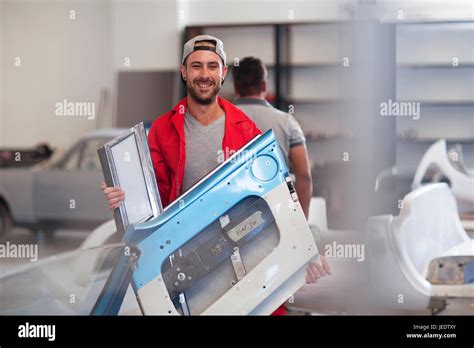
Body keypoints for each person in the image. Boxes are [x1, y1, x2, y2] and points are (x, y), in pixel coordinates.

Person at [101, 35, 329, 315]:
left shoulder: (246, 129)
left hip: (248, 260)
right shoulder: (162, 130)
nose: (204, 75)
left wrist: (305, 249)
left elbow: (275, 197)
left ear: (224, 73)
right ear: (184, 72)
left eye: (212, 66)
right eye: (196, 66)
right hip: (191, 273)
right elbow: (152, 204)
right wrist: (124, 197)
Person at [232, 56, 312, 218]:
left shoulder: (220, 119)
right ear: (264, 86)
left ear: (235, 87)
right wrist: (302, 222)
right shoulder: (286, 121)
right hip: (277, 211)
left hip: (232, 211)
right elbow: (304, 176)